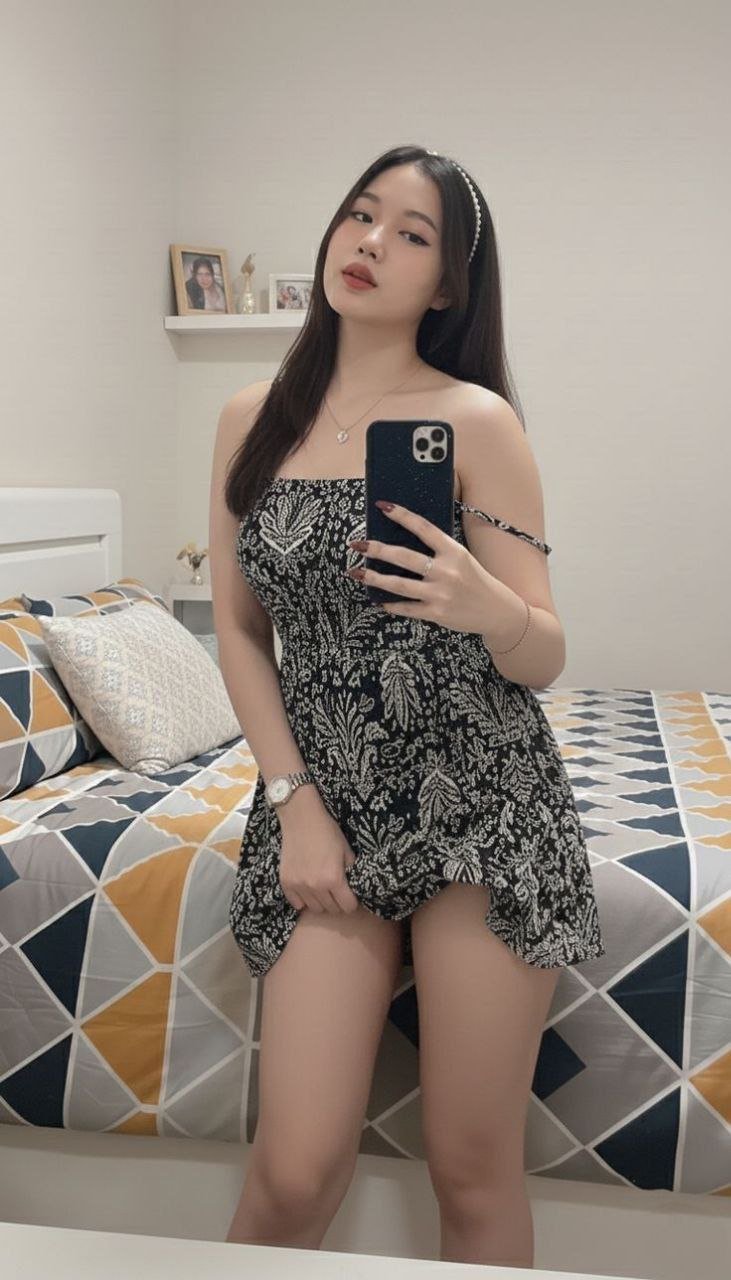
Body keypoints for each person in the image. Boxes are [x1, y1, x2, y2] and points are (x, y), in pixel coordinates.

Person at [208, 143, 605, 1269]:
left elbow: (544, 652)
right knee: (292, 1170)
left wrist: (487, 605)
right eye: (360, 214)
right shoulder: (251, 417)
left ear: (446, 286)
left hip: (480, 801)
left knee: (471, 1169)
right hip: (324, 802)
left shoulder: (474, 421)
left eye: (412, 233)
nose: (371, 242)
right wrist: (293, 803)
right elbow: (237, 628)